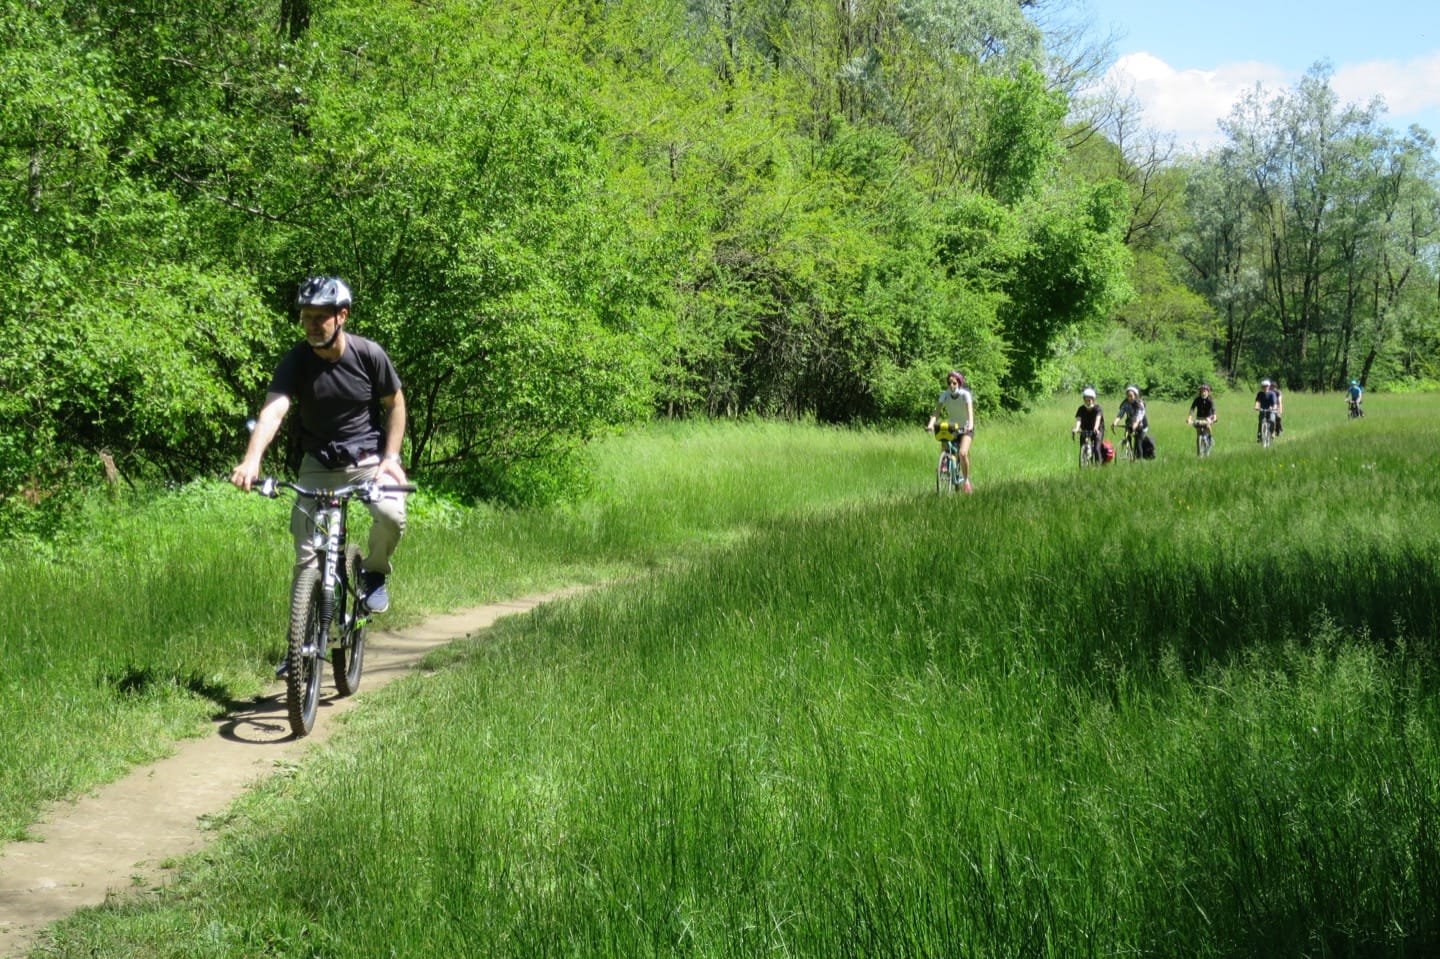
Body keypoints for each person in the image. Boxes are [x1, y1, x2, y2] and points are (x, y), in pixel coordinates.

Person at [231, 276, 409, 618]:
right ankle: (298, 648)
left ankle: (372, 572)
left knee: (389, 514)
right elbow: (274, 410)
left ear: (342, 315)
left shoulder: (368, 354)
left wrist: (390, 458)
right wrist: (252, 460)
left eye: (320, 317)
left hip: (367, 461)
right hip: (318, 463)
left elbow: (396, 404)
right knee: (305, 555)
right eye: (306, 317)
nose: (311, 325)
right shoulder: (296, 360)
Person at [927, 370, 974, 492]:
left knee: (963, 453)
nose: (951, 385)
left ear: (959, 383)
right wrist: (931, 425)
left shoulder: (965, 395)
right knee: (943, 435)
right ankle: (944, 463)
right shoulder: (945, 395)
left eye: (954, 383)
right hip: (953, 426)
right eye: (949, 383)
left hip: (966, 427)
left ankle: (966, 480)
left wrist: (970, 425)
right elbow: (936, 412)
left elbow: (970, 412)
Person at [1112, 385, 1148, 457]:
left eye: (1131, 396)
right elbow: (1120, 414)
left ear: (1135, 395)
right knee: (1127, 437)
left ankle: (1139, 460)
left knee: (1138, 444)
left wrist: (1134, 425)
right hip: (1130, 423)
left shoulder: (1140, 404)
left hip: (1141, 425)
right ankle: (1130, 454)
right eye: (1128, 396)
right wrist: (1115, 422)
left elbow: (1138, 417)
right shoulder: (1125, 403)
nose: (1129, 398)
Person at [1071, 387, 1105, 463]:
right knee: (1083, 448)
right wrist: (1076, 428)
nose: (1087, 402)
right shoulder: (1081, 409)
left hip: (1098, 429)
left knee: (1096, 448)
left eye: (1089, 400)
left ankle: (1098, 466)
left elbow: (1098, 419)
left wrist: (1096, 428)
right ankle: (1084, 464)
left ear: (1093, 399)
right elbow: (1079, 419)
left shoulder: (1098, 408)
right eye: (1085, 400)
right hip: (1086, 429)